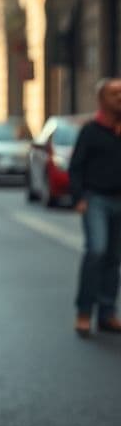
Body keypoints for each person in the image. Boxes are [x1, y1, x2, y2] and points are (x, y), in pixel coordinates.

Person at [69, 77, 121, 338]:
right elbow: (76, 166)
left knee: (114, 259)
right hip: (96, 200)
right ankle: (84, 312)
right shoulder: (91, 130)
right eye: (114, 93)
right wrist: (79, 197)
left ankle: (107, 314)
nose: (120, 97)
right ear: (102, 100)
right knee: (97, 251)